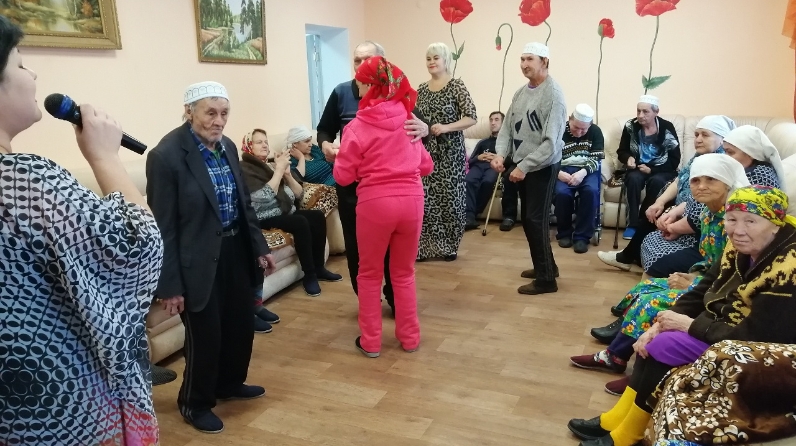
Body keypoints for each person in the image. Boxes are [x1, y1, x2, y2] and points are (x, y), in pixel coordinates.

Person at [0, 17, 161, 444]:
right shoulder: (23, 182)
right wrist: (105, 157)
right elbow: (138, 245)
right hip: (54, 403)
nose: (33, 75)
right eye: (20, 64)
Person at [568, 184, 796, 446]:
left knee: (665, 344)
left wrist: (688, 325)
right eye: (732, 219)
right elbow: (702, 288)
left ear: (775, 224)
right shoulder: (740, 246)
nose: (738, 230)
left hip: (762, 351)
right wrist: (660, 324)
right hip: (723, 326)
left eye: (751, 221)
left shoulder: (789, 267)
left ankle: (628, 434)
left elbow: (759, 335)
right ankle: (617, 419)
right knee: (654, 338)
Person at [146, 81, 277, 434]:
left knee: (240, 325)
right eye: (210, 113)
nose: (218, 121)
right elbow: (163, 228)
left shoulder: (228, 147)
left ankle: (230, 384)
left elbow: (244, 205)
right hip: (197, 261)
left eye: (224, 113)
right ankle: (195, 402)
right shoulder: (166, 156)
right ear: (189, 112)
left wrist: (260, 247)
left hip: (236, 251)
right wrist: (169, 285)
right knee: (206, 338)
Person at [570, 154, 750, 396]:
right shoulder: (708, 214)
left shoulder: (734, 221)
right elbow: (711, 262)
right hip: (706, 278)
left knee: (652, 302)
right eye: (695, 180)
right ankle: (617, 352)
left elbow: (734, 274)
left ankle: (637, 372)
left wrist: (692, 282)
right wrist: (693, 275)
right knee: (645, 287)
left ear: (727, 183)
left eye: (711, 179)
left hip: (722, 294)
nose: (701, 186)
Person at [316, 40, 429, 315]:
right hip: (352, 188)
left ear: (383, 64)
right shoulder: (341, 92)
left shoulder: (396, 93)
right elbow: (324, 129)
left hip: (388, 189)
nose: (360, 65)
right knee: (357, 250)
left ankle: (395, 300)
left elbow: (418, 136)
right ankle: (369, 304)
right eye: (356, 60)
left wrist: (425, 129)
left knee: (394, 250)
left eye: (367, 59)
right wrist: (326, 145)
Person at [333, 56, 434, 358]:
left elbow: (343, 176)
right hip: (412, 202)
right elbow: (426, 166)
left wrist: (339, 155)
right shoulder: (409, 119)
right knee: (404, 273)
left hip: (375, 204)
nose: (358, 88)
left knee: (369, 274)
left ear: (370, 85)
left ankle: (371, 342)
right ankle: (410, 338)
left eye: (361, 83)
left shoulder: (357, 126)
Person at [597, 115, 734, 274]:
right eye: (696, 134)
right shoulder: (699, 156)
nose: (698, 139)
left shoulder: (721, 163)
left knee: (658, 191)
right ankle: (630, 255)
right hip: (683, 205)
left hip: (695, 219)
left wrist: (673, 213)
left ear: (722, 139)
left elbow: (699, 203)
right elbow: (679, 180)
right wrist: (660, 202)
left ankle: (629, 256)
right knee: (655, 207)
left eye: (705, 135)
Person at [491, 42, 566, 295]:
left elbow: (551, 143)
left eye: (530, 59)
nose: (524, 65)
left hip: (543, 166)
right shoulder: (521, 93)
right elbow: (506, 129)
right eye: (522, 59)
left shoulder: (553, 95)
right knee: (530, 219)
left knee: (536, 220)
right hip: (523, 165)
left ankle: (546, 281)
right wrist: (501, 154)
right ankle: (548, 267)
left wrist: (523, 166)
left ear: (544, 61)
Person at [241, 129, 342, 300]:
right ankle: (309, 275)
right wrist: (278, 171)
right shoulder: (244, 169)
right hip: (262, 217)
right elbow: (262, 199)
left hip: (283, 212)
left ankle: (319, 268)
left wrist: (287, 175)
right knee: (300, 222)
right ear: (248, 146)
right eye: (259, 142)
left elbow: (298, 194)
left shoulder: (269, 165)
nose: (264, 145)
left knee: (316, 216)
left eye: (266, 141)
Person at [416, 42, 478, 261]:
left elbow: (471, 117)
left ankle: (449, 247)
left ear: (445, 60)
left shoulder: (456, 86)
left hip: (450, 152)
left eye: (436, 58)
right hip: (426, 152)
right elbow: (415, 117)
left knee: (451, 201)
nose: (431, 62)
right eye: (428, 58)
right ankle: (424, 248)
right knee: (426, 200)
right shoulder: (421, 89)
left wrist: (446, 127)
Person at [617, 95, 680, 240]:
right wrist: (628, 158)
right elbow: (622, 151)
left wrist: (653, 170)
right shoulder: (630, 126)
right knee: (633, 179)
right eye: (638, 111)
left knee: (657, 182)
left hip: (662, 168)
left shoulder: (667, 128)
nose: (640, 115)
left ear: (656, 112)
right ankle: (632, 224)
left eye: (645, 112)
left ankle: (644, 222)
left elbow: (674, 159)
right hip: (638, 167)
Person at [553, 103, 604, 254]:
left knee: (590, 191)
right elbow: (549, 157)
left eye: (584, 129)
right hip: (562, 169)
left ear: (590, 125)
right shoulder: (558, 130)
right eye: (576, 127)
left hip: (587, 170)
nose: (580, 132)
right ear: (570, 119)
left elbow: (596, 158)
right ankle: (564, 233)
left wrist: (583, 172)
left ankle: (582, 237)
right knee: (562, 194)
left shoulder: (595, 131)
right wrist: (557, 173)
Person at [465, 111, 504, 230]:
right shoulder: (483, 142)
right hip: (478, 166)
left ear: (503, 123)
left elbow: (510, 159)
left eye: (496, 120)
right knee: (468, 180)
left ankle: (473, 213)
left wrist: (498, 157)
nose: (493, 123)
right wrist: (479, 157)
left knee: (487, 182)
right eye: (491, 120)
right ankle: (469, 217)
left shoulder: (505, 143)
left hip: (493, 167)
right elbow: (470, 161)